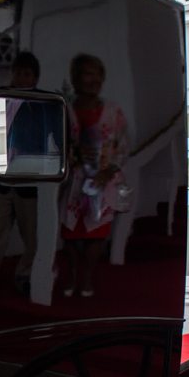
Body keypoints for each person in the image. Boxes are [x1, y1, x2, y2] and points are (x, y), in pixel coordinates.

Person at [0, 51, 47, 294]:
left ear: (34, 78)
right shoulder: (0, 101)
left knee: (31, 237)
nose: (21, 77)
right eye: (18, 72)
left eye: (27, 73)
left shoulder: (44, 106)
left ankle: (24, 276)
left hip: (29, 185)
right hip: (2, 183)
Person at [60, 54, 128, 297]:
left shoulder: (113, 111)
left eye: (98, 74)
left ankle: (87, 277)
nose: (94, 79)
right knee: (70, 233)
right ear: (76, 78)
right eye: (88, 73)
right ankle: (73, 273)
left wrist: (107, 171)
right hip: (74, 182)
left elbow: (123, 147)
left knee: (97, 233)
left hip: (103, 182)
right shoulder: (65, 110)